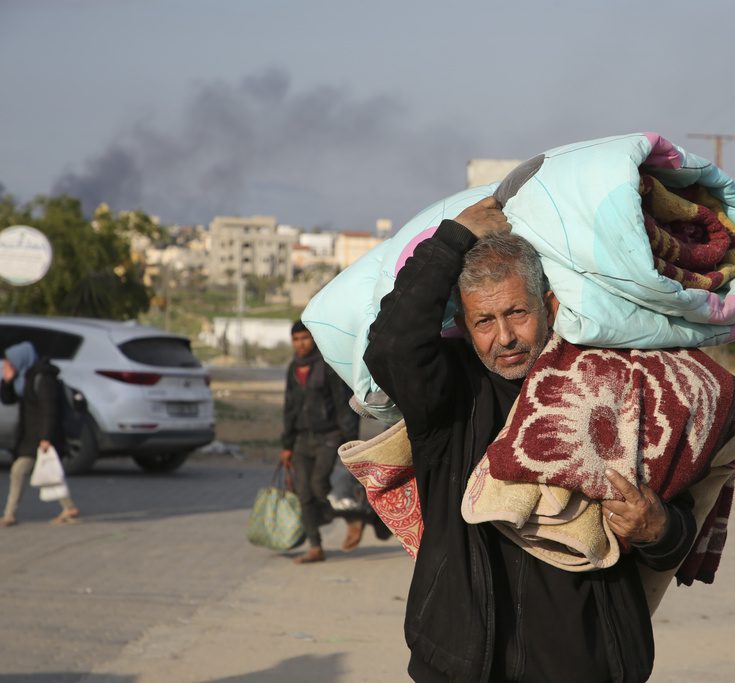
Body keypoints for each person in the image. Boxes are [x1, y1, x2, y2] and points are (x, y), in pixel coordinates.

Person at [364, 197, 698, 682]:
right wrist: (454, 237)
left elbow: (678, 528)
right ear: (463, 325)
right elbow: (393, 345)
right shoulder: (451, 398)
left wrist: (658, 528)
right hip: (466, 667)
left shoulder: (616, 386)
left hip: (591, 666)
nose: (505, 337)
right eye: (484, 321)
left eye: (517, 313)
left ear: (549, 306)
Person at [281, 321, 361, 563]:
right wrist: (286, 445)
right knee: (304, 494)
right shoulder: (293, 369)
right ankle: (316, 547)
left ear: (313, 339)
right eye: (296, 339)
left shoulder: (327, 367)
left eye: (304, 338)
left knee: (318, 484)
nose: (300, 344)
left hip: (329, 436)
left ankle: (351, 516)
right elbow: (289, 408)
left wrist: (351, 442)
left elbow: (342, 404)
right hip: (301, 440)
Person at [1, 341, 80, 526]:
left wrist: (46, 438)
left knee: (19, 471)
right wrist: (6, 381)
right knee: (49, 472)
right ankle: (69, 507)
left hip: (42, 436)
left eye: (10, 362)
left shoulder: (43, 378)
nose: (7, 366)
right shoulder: (24, 378)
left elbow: (50, 410)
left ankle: (9, 515)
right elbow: (8, 399)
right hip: (31, 436)